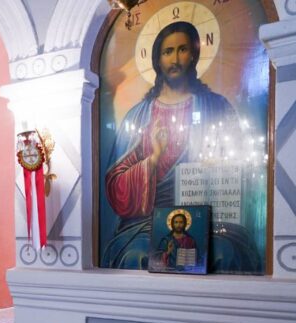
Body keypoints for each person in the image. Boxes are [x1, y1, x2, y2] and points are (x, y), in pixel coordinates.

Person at [102, 21, 260, 272]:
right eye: (168, 52)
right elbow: (115, 185)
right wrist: (153, 160)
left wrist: (214, 168)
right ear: (157, 60)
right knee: (136, 255)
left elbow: (241, 169)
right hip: (147, 222)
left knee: (224, 253)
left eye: (182, 49)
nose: (175, 59)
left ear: (194, 54)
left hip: (209, 220)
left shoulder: (216, 107)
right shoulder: (139, 116)